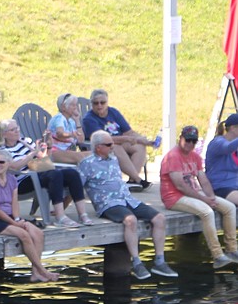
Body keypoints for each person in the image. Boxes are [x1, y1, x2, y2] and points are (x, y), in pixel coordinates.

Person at [79, 131, 176, 280]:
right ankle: (137, 263)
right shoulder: (87, 164)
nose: (113, 147)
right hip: (107, 203)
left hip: (127, 199)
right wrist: (62, 209)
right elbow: (76, 187)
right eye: (109, 144)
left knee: (159, 218)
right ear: (98, 147)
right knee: (131, 220)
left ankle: (160, 262)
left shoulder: (113, 160)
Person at [159, 125, 238, 270]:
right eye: (187, 140)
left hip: (195, 194)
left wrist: (211, 197)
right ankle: (218, 255)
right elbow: (180, 185)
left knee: (230, 207)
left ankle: (232, 249)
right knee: (207, 212)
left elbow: (203, 179)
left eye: (193, 141)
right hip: (174, 197)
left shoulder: (195, 156)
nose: (190, 144)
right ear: (180, 138)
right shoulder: (173, 156)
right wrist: (205, 200)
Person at [0, 118, 93, 227]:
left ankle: (82, 214)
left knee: (72, 173)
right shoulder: (3, 151)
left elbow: (43, 159)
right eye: (13, 130)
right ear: (4, 134)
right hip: (22, 181)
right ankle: (60, 216)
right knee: (55, 174)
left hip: (38, 173)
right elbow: (15, 167)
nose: (17, 131)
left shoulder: (26, 141)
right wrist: (32, 154)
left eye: (17, 128)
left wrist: (48, 146)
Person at [0, 151, 59, 282]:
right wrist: (15, 223)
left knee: (38, 233)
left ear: (9, 164)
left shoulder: (12, 180)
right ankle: (43, 270)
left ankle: (35, 273)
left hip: (9, 216)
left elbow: (14, 203)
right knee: (24, 235)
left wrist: (17, 219)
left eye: (1, 162)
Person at [81, 89, 157, 186]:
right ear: (91, 104)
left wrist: (143, 140)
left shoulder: (113, 112)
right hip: (102, 145)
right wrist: (127, 139)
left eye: (102, 102)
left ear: (107, 102)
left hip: (120, 141)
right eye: (96, 103)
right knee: (114, 146)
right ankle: (138, 180)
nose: (99, 105)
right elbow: (102, 139)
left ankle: (132, 181)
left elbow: (128, 131)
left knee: (140, 146)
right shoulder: (89, 119)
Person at [204, 112, 238, 207]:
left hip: (234, 185)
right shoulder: (217, 143)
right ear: (232, 128)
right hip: (220, 187)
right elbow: (228, 147)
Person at [46, 94, 90, 164]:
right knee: (80, 157)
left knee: (95, 154)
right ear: (63, 107)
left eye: (76, 105)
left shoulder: (71, 121)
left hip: (68, 152)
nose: (75, 108)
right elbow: (60, 133)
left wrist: (77, 120)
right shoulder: (59, 118)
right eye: (73, 105)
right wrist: (71, 134)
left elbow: (81, 140)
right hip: (55, 151)